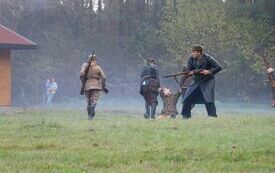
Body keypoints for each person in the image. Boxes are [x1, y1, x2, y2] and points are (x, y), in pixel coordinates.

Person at [181, 45, 222, 119]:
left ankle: (212, 116)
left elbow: (219, 67)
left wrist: (209, 71)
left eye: (194, 52)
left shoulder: (208, 58)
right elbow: (189, 70)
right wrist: (190, 73)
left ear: (199, 53)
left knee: (208, 99)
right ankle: (185, 116)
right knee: (187, 98)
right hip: (196, 81)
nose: (192, 54)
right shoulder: (191, 59)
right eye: (192, 52)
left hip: (208, 81)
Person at [80, 54, 107, 120]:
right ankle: (93, 106)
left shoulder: (85, 65)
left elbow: (81, 74)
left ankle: (90, 116)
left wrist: (83, 81)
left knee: (88, 101)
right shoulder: (98, 67)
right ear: (95, 59)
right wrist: (103, 85)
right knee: (94, 100)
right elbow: (104, 77)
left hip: (87, 85)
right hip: (96, 85)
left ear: (89, 59)